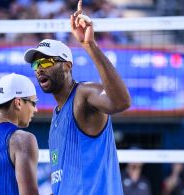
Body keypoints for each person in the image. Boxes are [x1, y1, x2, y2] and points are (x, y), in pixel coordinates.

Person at [23, 0, 131, 194]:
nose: (39, 69)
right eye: (36, 65)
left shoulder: (84, 95)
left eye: (46, 62)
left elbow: (121, 102)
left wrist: (89, 45)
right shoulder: (57, 114)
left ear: (67, 66)